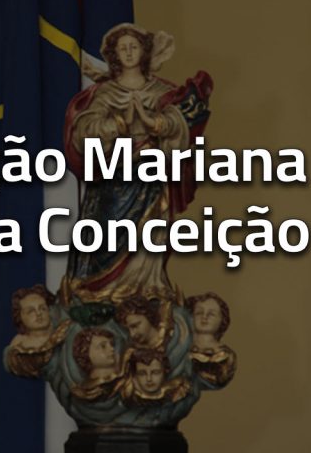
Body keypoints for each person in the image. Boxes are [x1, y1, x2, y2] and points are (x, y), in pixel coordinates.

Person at [61, 23, 213, 305]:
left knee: (149, 232)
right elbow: (84, 131)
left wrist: (154, 122)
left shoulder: (162, 91)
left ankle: (147, 289)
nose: (129, 52)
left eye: (134, 47)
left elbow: (181, 125)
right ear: (114, 55)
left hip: (151, 176)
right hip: (114, 177)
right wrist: (120, 123)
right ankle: (100, 292)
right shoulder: (106, 93)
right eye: (123, 48)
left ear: (145, 51)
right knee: (107, 233)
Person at [4, 285, 71, 378]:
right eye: (31, 311)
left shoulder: (65, 331)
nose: (38, 313)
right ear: (19, 317)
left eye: (42, 308)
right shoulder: (19, 348)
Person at [186, 292, 237, 388]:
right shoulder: (182, 349)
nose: (204, 317)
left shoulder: (226, 356)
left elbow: (221, 378)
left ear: (222, 319)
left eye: (211, 314)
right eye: (199, 313)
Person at [71, 328, 124, 400]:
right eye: (103, 346)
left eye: (112, 344)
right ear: (85, 352)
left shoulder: (123, 376)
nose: (112, 349)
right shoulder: (87, 387)